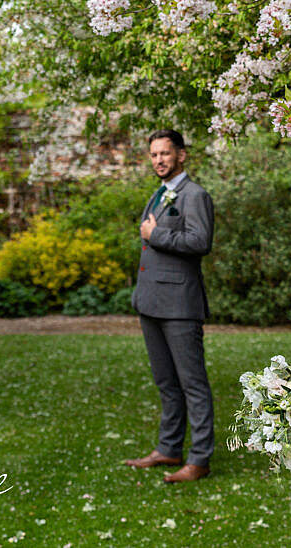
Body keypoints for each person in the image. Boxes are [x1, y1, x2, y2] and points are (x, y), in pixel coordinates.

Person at [124, 129, 216, 484]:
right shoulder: (160, 194)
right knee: (166, 383)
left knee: (193, 384)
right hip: (150, 303)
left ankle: (200, 458)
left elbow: (199, 240)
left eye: (165, 153)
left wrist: (155, 235)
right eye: (153, 154)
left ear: (181, 155)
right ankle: (169, 448)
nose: (158, 160)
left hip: (180, 305)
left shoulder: (195, 195)